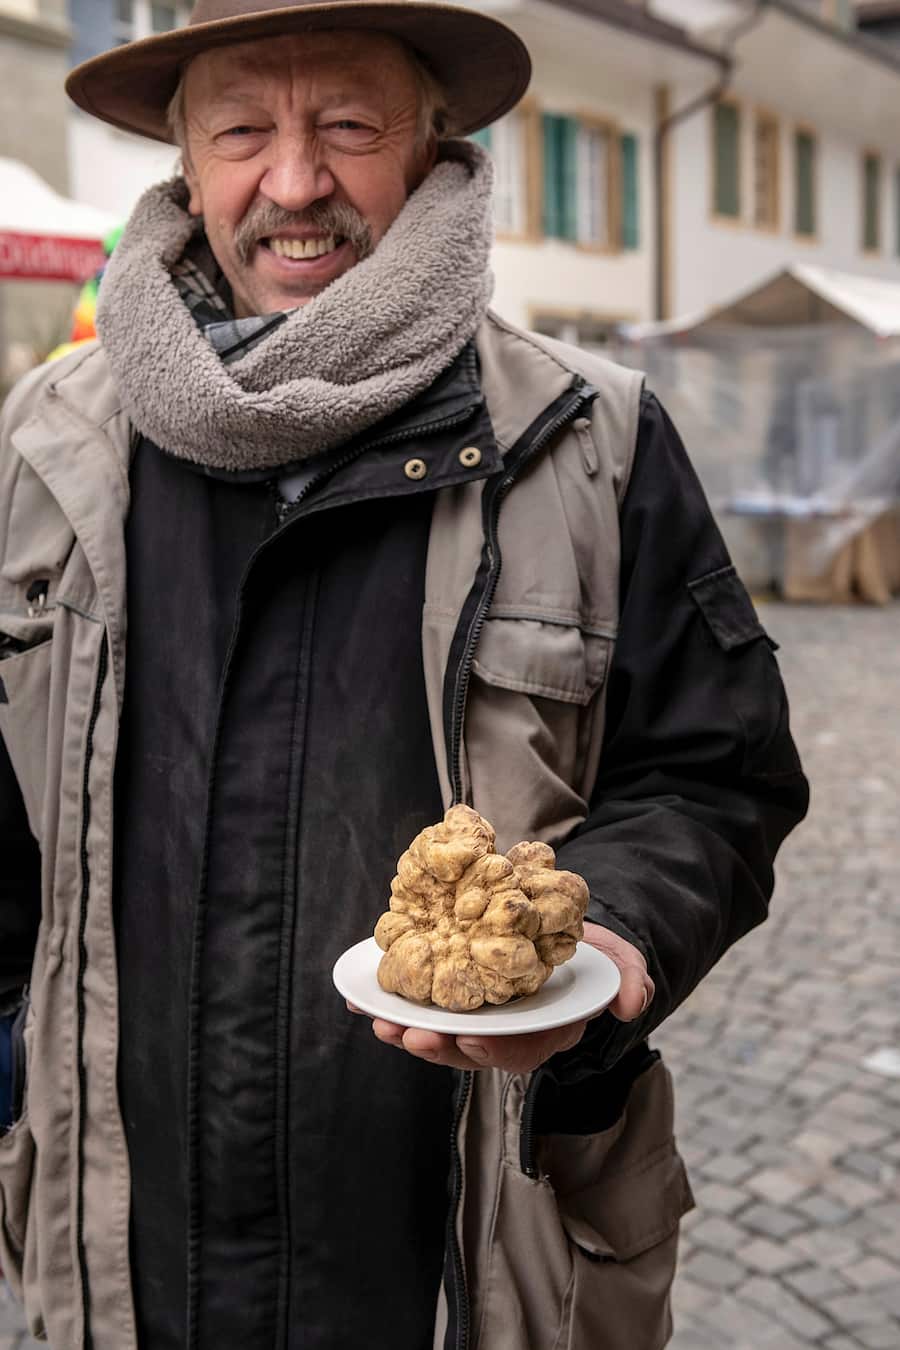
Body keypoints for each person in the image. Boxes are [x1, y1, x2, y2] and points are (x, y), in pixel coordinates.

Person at [0, 1, 808, 1347]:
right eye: (244, 129)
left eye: (350, 126)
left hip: (467, 1253)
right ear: (188, 164)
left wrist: (597, 951)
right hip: (124, 1259)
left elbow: (718, 776)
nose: (296, 181)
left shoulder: (592, 438)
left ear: (433, 142)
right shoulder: (39, 446)